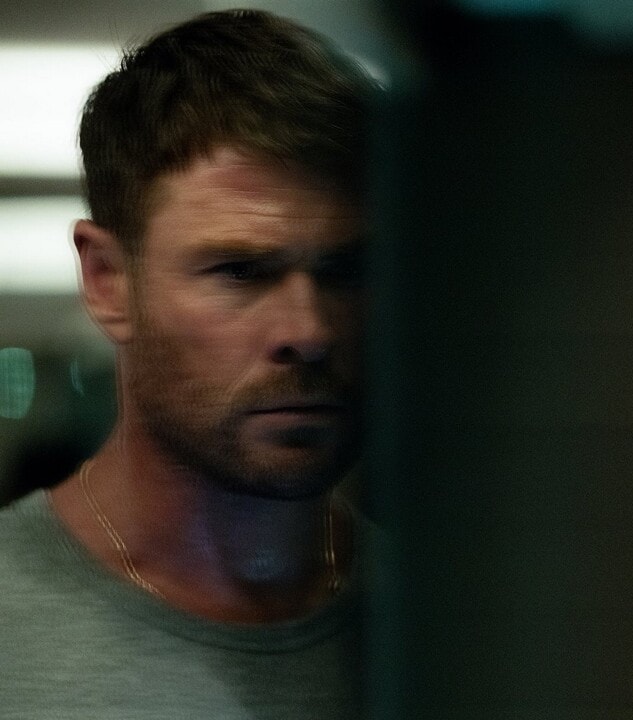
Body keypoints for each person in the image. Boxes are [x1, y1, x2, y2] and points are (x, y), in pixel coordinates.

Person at [0, 10, 373, 717]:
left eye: (346, 271)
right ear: (108, 281)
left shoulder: (464, 623)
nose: (310, 331)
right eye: (240, 271)